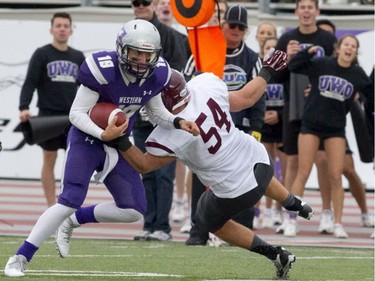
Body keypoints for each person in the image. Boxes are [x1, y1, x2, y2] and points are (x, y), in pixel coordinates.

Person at [4, 19, 199, 278]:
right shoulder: (102, 69)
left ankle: (74, 220)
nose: (141, 60)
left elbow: (156, 111)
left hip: (117, 143)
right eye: (136, 53)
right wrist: (101, 133)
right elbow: (76, 114)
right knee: (69, 199)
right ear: (122, 49)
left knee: (133, 211)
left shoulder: (158, 73)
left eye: (147, 54)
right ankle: (20, 256)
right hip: (88, 138)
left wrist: (178, 121)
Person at [115, 54, 315, 279]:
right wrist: (266, 71)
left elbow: (142, 165)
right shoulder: (204, 85)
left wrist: (117, 138)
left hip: (237, 190)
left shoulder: (173, 133)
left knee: (206, 219)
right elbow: (247, 98)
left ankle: (276, 255)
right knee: (251, 168)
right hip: (259, 157)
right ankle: (293, 202)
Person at [288, 34, 373, 238]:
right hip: (311, 124)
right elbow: (294, 67)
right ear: (338, 47)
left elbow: (371, 95)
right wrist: (304, 53)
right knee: (303, 171)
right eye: (346, 44)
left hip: (335, 128)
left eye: (353, 46)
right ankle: (290, 220)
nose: (349, 48)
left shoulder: (358, 74)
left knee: (336, 175)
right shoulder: (322, 64)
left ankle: (337, 223)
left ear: (356, 52)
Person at [274, 0, 337, 237]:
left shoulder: (328, 39)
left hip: (321, 108)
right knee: (292, 162)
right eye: (303, 7)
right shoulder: (286, 38)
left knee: (322, 161)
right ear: (296, 11)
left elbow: (337, 70)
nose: (307, 11)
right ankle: (289, 215)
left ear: (317, 12)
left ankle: (327, 213)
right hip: (294, 107)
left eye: (311, 7)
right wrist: (288, 58)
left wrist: (320, 87)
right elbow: (275, 76)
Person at [131, 0, 189, 241]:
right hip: (139, 113)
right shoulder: (128, 32)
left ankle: (163, 227)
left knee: (163, 173)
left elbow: (177, 75)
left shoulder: (170, 35)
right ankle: (149, 223)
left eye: (146, 1)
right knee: (144, 171)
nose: (141, 5)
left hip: (164, 115)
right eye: (136, 2)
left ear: (154, 4)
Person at [18, 12, 85, 206]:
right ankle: (50, 206)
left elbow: (87, 87)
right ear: (51, 29)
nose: (62, 29)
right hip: (48, 116)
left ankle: (66, 203)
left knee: (72, 162)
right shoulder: (42, 54)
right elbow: (30, 82)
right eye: (58, 25)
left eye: (66, 25)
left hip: (72, 117)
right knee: (49, 159)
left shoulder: (78, 56)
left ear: (71, 30)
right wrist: (24, 107)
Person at [314, 19, 374, 233]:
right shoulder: (320, 64)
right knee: (321, 162)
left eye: (330, 34)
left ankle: (365, 211)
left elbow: (366, 93)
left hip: (337, 125)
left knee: (347, 168)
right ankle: (326, 212)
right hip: (315, 121)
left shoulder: (352, 69)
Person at [256, 36, 287, 229]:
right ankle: (262, 211)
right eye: (268, 48)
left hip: (282, 125)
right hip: (264, 125)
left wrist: (280, 114)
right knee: (264, 170)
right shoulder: (258, 71)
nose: (271, 52)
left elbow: (293, 98)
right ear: (262, 51)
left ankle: (278, 210)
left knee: (282, 171)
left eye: (275, 49)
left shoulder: (286, 72)